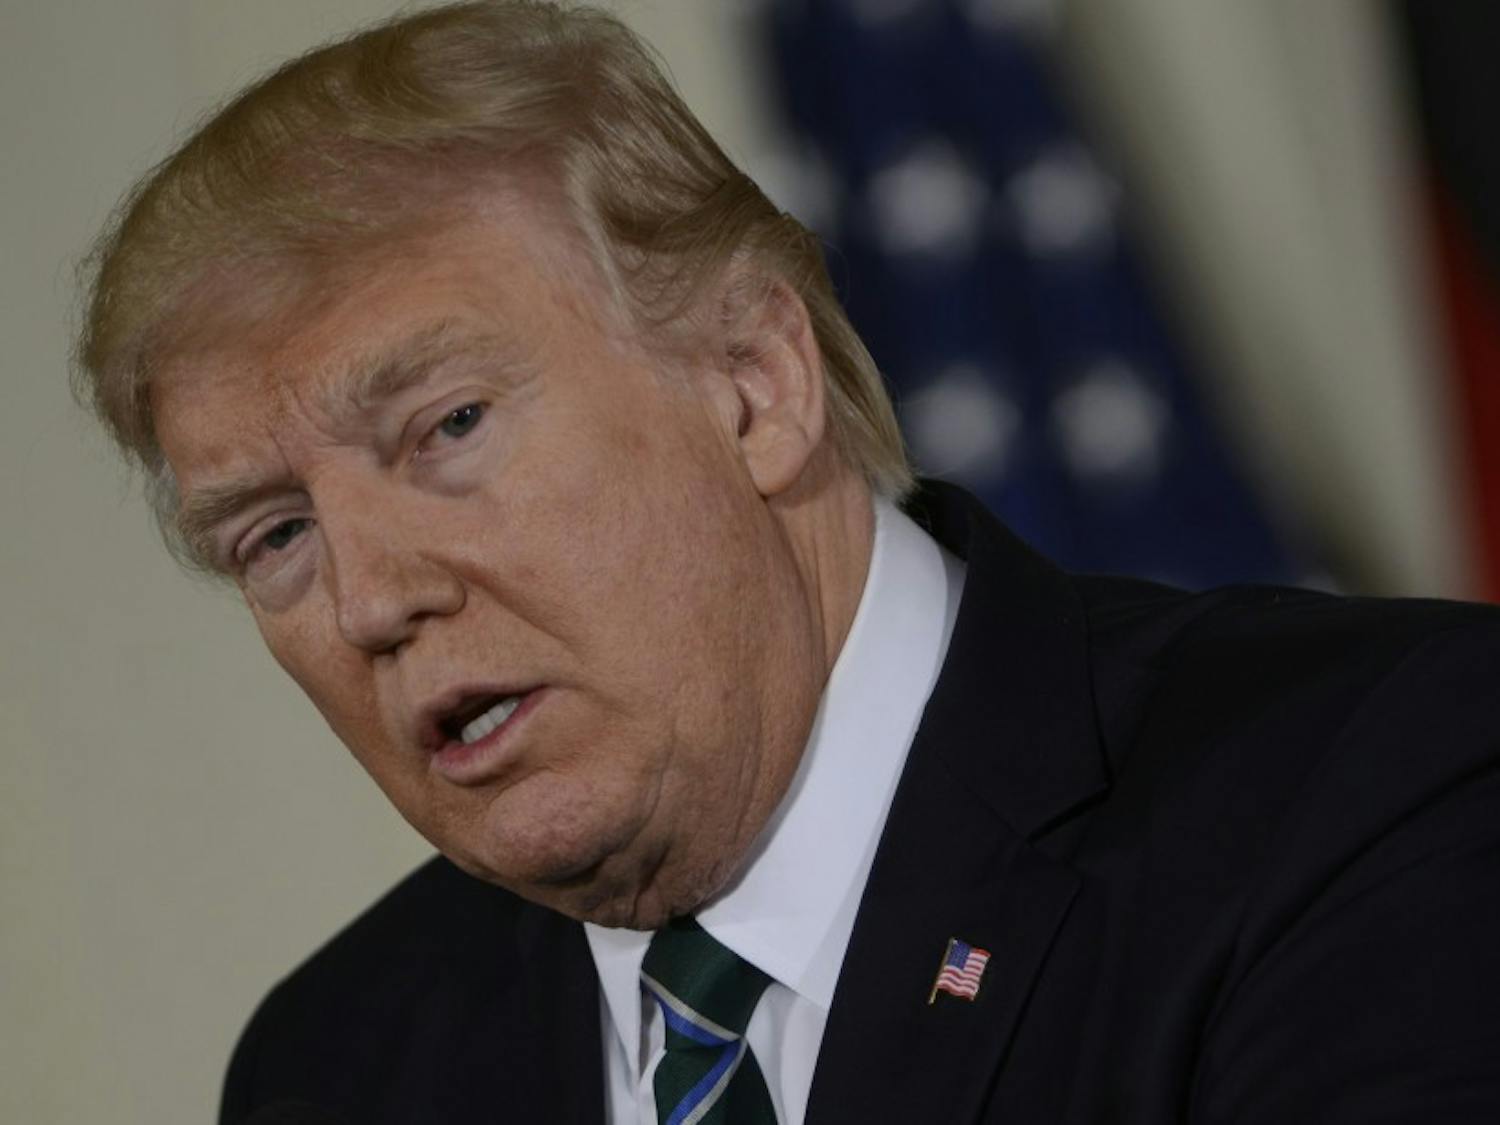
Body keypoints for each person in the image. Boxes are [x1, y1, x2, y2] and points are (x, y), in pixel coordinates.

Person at [74, 2, 1500, 1123]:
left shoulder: (1373, 790)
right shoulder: (343, 1064)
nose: (371, 597)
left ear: (754, 383)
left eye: (447, 426)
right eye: (274, 533)